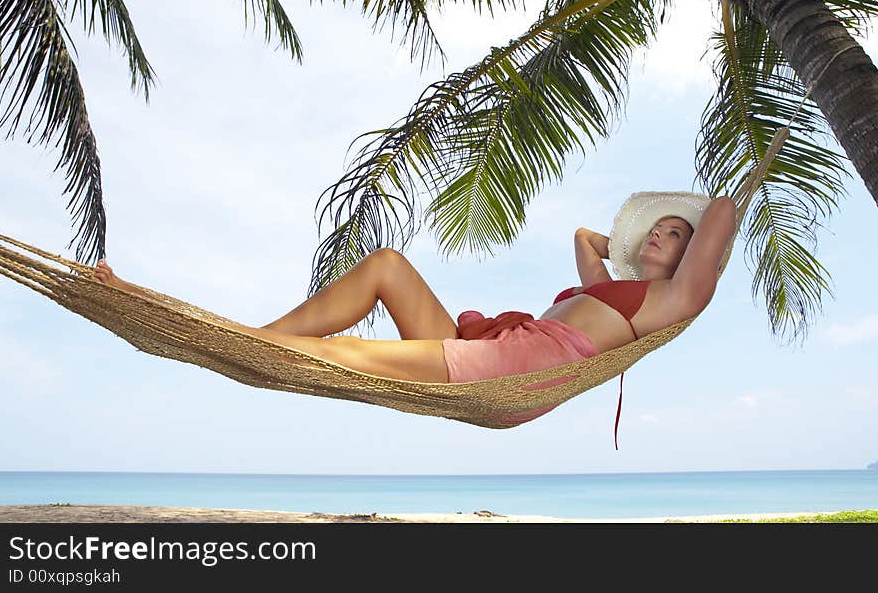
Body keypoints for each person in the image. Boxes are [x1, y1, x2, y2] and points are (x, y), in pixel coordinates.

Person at [93, 191, 738, 390]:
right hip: (498, 351)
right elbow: (583, 237)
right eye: (655, 227)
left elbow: (723, 213)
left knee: (338, 357)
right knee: (386, 265)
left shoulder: (676, 300)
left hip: (515, 368)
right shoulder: (611, 289)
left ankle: (206, 336)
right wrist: (626, 241)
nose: (660, 234)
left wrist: (721, 194)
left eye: (675, 233)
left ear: (694, 258)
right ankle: (244, 339)